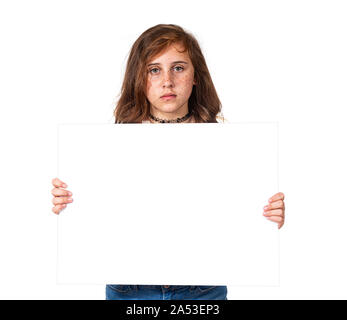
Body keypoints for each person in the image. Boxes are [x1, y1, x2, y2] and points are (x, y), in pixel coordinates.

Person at [51, 24, 285, 300]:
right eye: (154, 69)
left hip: (202, 290)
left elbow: (237, 215)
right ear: (139, 77)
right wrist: (67, 202)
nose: (167, 81)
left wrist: (271, 216)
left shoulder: (231, 147)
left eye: (178, 68)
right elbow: (100, 216)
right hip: (129, 289)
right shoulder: (106, 148)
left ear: (196, 75)